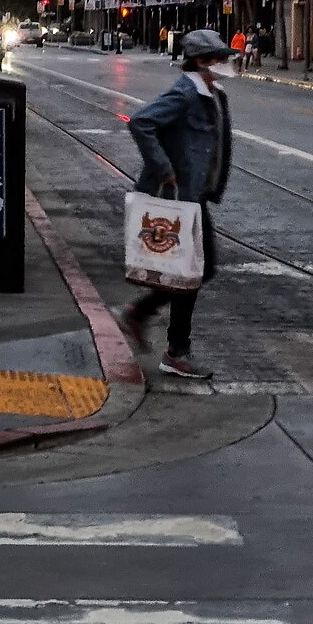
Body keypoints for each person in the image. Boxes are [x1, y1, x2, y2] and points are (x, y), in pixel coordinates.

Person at [119, 25, 232, 382]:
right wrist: (165, 170)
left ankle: (143, 316)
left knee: (198, 270)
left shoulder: (213, 92)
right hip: (181, 199)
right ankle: (175, 350)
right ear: (201, 61)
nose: (226, 65)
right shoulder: (186, 93)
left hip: (195, 196)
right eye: (220, 59)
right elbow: (141, 122)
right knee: (197, 270)